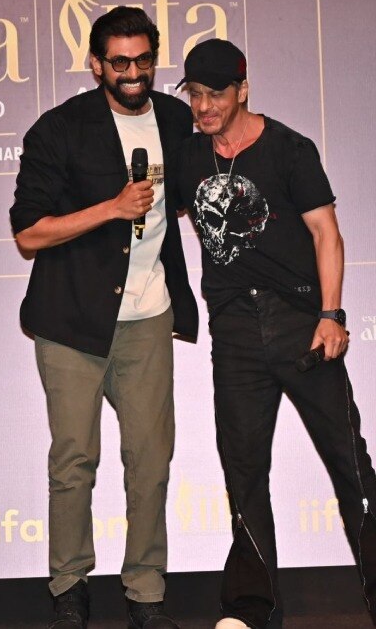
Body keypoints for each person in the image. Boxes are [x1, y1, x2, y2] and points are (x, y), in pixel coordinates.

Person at [171, 38, 376, 629]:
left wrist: (332, 316)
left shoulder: (289, 149)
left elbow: (326, 235)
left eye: (216, 93)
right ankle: (251, 610)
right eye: (196, 94)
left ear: (243, 90)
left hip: (300, 323)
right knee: (243, 467)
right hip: (234, 329)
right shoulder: (189, 158)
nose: (204, 106)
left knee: (349, 463)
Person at [9, 6, 199, 629]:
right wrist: (112, 208)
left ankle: (146, 593)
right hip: (70, 321)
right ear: (96, 64)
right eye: (120, 62)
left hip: (149, 316)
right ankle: (69, 586)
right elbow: (30, 234)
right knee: (74, 459)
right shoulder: (58, 130)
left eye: (144, 59)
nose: (134, 72)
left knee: (151, 459)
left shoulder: (175, 118)